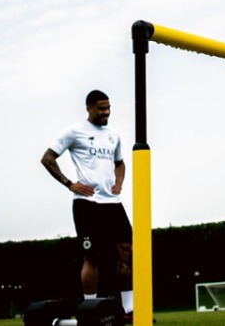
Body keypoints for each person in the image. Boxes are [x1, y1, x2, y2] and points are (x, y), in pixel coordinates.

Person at [40, 90, 134, 319]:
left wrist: (119, 182)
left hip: (113, 204)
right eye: (102, 108)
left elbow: (120, 163)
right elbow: (47, 158)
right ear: (89, 108)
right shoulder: (74, 132)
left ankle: (129, 310)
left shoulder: (114, 135)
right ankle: (89, 309)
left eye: (109, 108)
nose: (106, 112)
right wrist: (69, 183)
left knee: (127, 253)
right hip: (87, 204)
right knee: (91, 256)